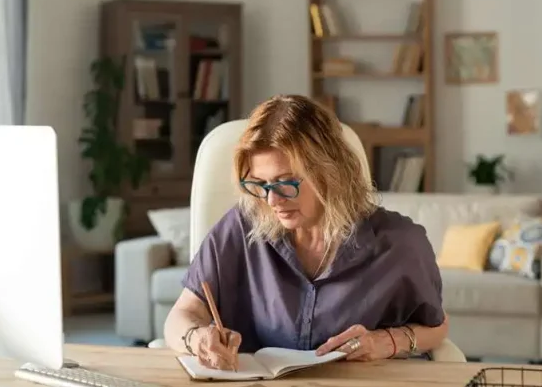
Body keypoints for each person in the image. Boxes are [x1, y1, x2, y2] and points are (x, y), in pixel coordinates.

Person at [163, 94, 448, 370]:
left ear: (330, 172)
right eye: (259, 183)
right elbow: (181, 315)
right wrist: (196, 338)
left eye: (286, 182)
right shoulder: (240, 225)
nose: (272, 200)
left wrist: (386, 341)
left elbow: (436, 327)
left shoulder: (400, 243)